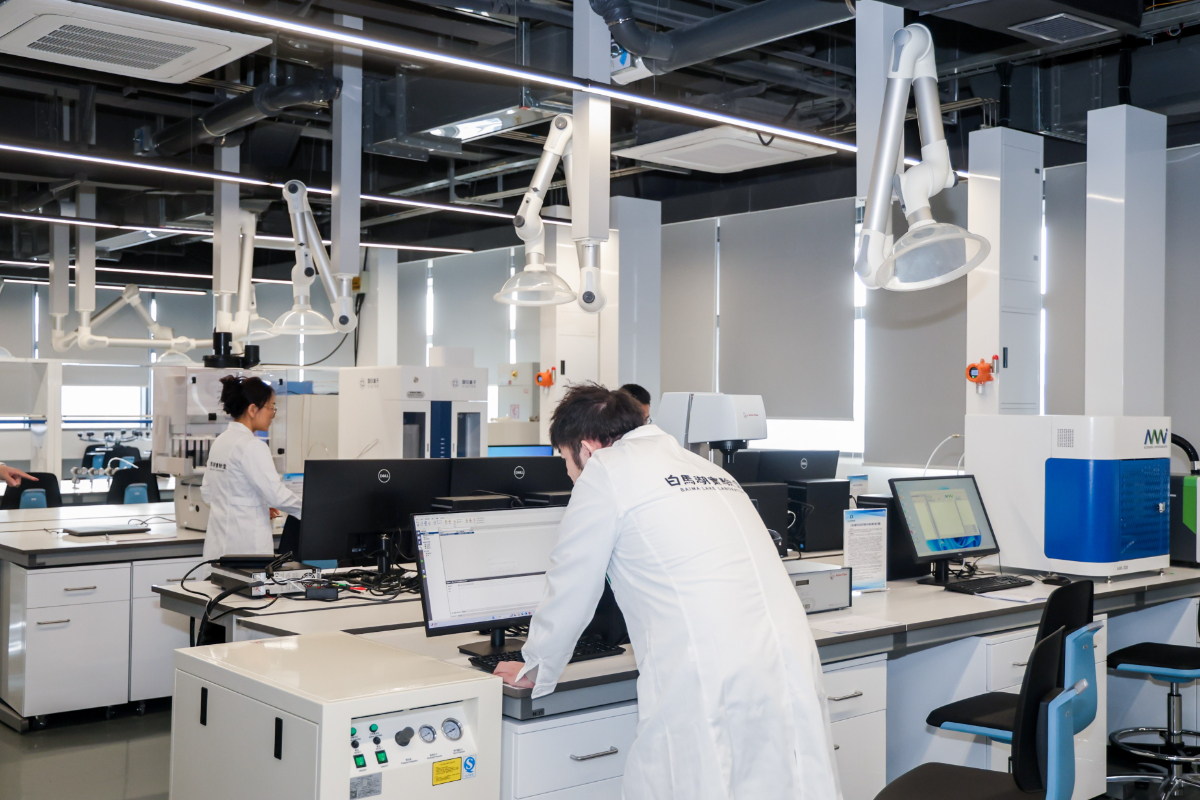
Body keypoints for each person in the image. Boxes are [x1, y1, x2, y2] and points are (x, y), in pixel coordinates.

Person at [494, 384, 840, 800]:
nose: (568, 473)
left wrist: (535, 667)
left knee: (694, 782)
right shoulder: (708, 469)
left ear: (586, 447)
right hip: (788, 658)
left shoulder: (606, 471)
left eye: (565, 460)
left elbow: (570, 583)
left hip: (709, 670)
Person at [201, 376, 301, 561]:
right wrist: (309, 510)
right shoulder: (252, 445)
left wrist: (256, 504)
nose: (272, 414)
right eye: (271, 407)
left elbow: (208, 493)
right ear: (253, 409)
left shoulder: (221, 441)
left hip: (218, 546)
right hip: (246, 549)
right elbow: (277, 496)